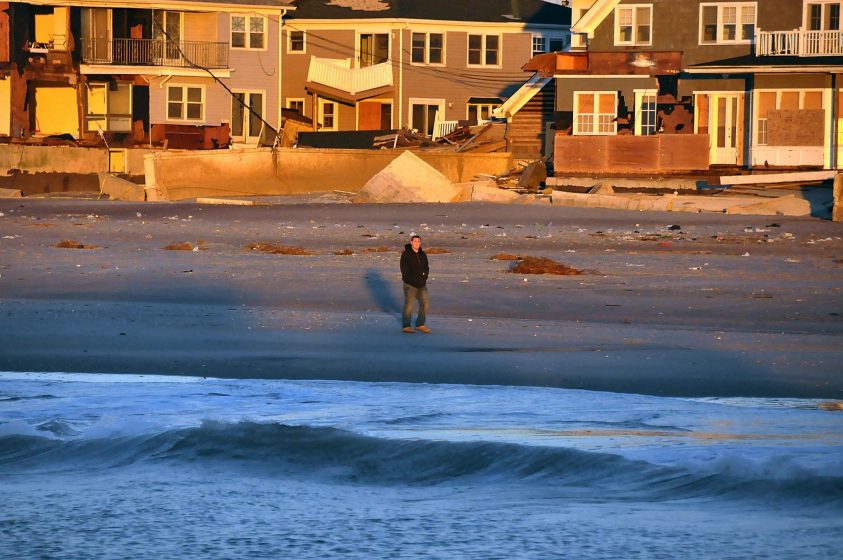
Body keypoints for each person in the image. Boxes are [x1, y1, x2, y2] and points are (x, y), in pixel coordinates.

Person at [400, 234, 430, 333]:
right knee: (409, 306)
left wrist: (424, 277)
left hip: (422, 285)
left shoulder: (423, 254)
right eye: (415, 241)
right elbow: (404, 270)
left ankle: (420, 324)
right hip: (410, 285)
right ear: (411, 242)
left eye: (418, 241)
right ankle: (406, 326)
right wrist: (409, 279)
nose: (417, 243)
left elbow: (426, 267)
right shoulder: (406, 254)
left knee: (425, 304)